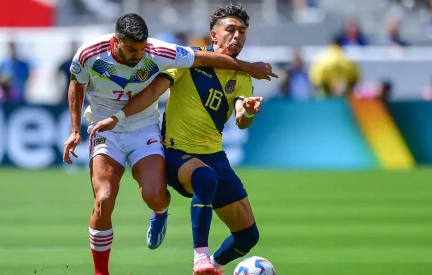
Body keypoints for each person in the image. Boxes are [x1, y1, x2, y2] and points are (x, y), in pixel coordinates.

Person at [62, 13, 277, 275]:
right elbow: (149, 89)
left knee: (247, 236)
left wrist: (249, 109)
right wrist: (82, 128)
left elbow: (241, 118)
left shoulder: (237, 76)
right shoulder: (93, 53)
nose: (237, 36)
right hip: (153, 144)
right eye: (230, 30)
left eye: (242, 31)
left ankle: (197, 252)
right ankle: (195, 258)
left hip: (184, 143)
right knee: (106, 197)